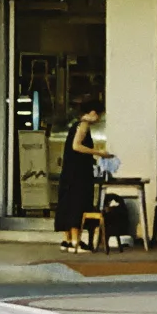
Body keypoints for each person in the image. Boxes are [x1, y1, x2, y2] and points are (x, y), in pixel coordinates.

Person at [53, 102, 109, 253]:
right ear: (92, 112)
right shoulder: (83, 125)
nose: (98, 118)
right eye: (98, 115)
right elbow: (76, 145)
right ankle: (76, 242)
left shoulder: (75, 125)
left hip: (69, 172)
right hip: (78, 173)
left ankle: (67, 240)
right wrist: (98, 153)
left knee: (67, 203)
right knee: (78, 203)